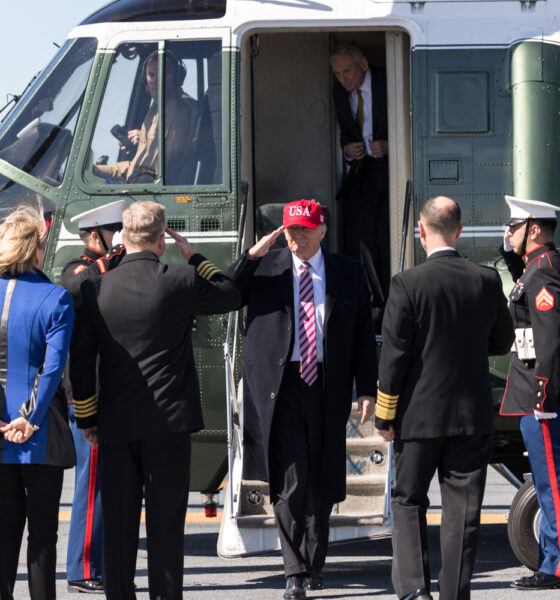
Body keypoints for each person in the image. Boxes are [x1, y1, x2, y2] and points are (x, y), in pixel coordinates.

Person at [69, 200, 240, 600]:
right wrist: (195, 255)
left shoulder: (94, 287)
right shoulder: (178, 279)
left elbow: (82, 362)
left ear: (123, 238)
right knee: (165, 528)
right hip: (169, 424)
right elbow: (231, 295)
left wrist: (88, 419)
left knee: (118, 527)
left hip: (115, 426)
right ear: (161, 239)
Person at [226, 199, 377, 600]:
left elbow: (363, 334)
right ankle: (294, 570)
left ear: (322, 231)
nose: (296, 237)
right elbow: (223, 293)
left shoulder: (348, 272)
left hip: (326, 383)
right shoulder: (265, 269)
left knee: (321, 482)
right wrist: (250, 255)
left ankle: (315, 564)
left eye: (304, 230)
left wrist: (366, 388)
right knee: (291, 479)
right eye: (290, 230)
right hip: (281, 384)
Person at [375, 196, 514, 600]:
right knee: (463, 512)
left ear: (421, 231)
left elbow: (394, 357)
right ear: (460, 231)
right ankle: (454, 593)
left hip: (418, 418)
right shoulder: (486, 280)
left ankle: (416, 589)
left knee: (407, 500)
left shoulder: (407, 284)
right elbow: (502, 341)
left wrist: (385, 417)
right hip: (472, 418)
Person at [0, 204, 75, 600]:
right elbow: (52, 368)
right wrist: (28, 419)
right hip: (39, 435)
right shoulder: (56, 298)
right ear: (35, 250)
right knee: (42, 532)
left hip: (0, 433)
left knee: (3, 527)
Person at [61, 200, 125, 594]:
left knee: (110, 484)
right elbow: (76, 285)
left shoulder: (115, 268)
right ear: (95, 234)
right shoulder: (79, 267)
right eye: (113, 232)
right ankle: (83, 568)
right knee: (93, 484)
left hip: (113, 392)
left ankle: (98, 563)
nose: (119, 239)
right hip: (91, 396)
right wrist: (115, 256)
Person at [499, 195, 560, 590]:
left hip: (540, 399)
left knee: (550, 484)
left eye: (514, 227)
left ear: (534, 229)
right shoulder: (536, 268)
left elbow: (550, 341)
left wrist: (543, 398)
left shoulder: (543, 273)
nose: (508, 233)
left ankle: (554, 566)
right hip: (533, 395)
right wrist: (508, 249)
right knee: (546, 482)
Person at [330, 42, 390, 303]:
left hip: (392, 169)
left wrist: (390, 147)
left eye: (347, 72)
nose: (343, 79)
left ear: (363, 64)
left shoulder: (389, 81)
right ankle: (376, 304)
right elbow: (346, 134)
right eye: (337, 74)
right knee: (365, 240)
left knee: (387, 236)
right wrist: (347, 151)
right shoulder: (339, 93)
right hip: (363, 173)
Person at [93, 50, 195, 184]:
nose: (156, 82)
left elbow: (156, 174)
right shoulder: (158, 107)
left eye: (163, 75)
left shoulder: (175, 111)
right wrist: (97, 169)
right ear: (144, 78)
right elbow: (142, 167)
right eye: (151, 75)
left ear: (177, 78)